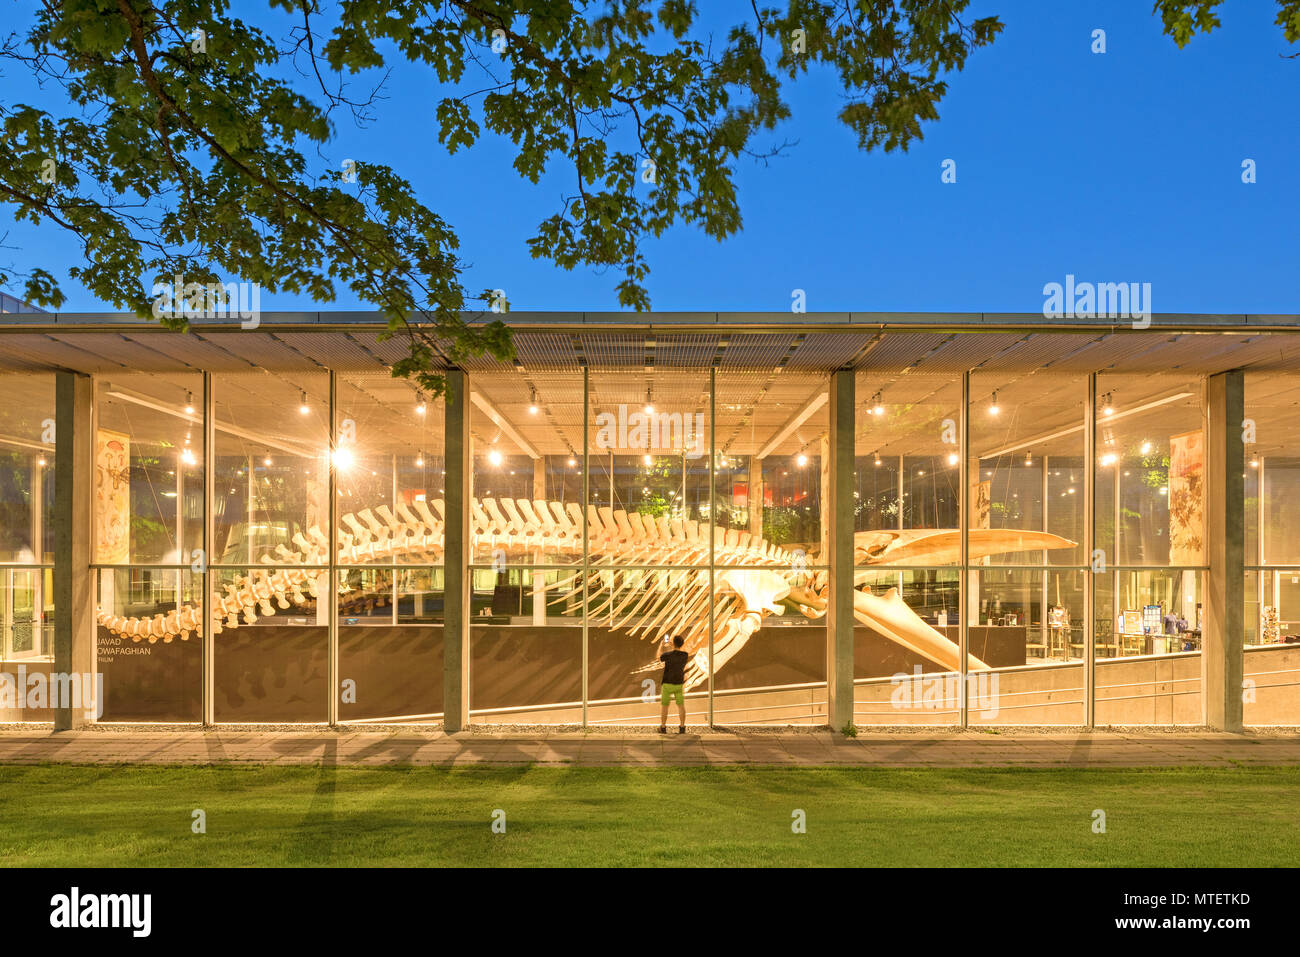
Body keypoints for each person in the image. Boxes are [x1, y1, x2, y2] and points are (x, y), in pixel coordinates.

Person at [658, 635, 689, 734]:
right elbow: (679, 652)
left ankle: (663, 727)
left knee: (664, 706)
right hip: (679, 684)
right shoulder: (685, 655)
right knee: (681, 706)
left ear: (673, 643)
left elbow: (659, 657)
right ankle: (682, 727)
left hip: (667, 683)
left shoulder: (668, 655)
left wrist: (661, 646)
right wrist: (675, 646)